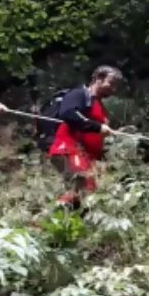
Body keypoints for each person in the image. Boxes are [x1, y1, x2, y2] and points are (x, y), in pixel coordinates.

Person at [46, 65, 123, 208]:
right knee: (83, 187)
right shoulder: (79, 95)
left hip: (85, 157)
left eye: (116, 86)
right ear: (98, 79)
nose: (113, 89)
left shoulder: (99, 106)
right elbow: (69, 114)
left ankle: (63, 224)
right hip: (68, 150)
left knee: (87, 194)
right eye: (111, 84)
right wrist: (98, 127)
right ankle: (46, 220)